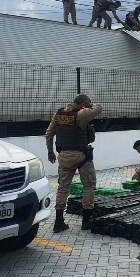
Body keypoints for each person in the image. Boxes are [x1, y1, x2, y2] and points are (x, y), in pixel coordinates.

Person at [45, 94, 102, 233]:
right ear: (83, 105)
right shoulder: (81, 114)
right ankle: (86, 222)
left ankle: (58, 222)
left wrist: (50, 152)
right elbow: (99, 108)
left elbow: (49, 134)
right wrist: (88, 107)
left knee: (63, 187)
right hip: (81, 155)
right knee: (88, 185)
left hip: (63, 155)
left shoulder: (59, 113)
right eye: (87, 104)